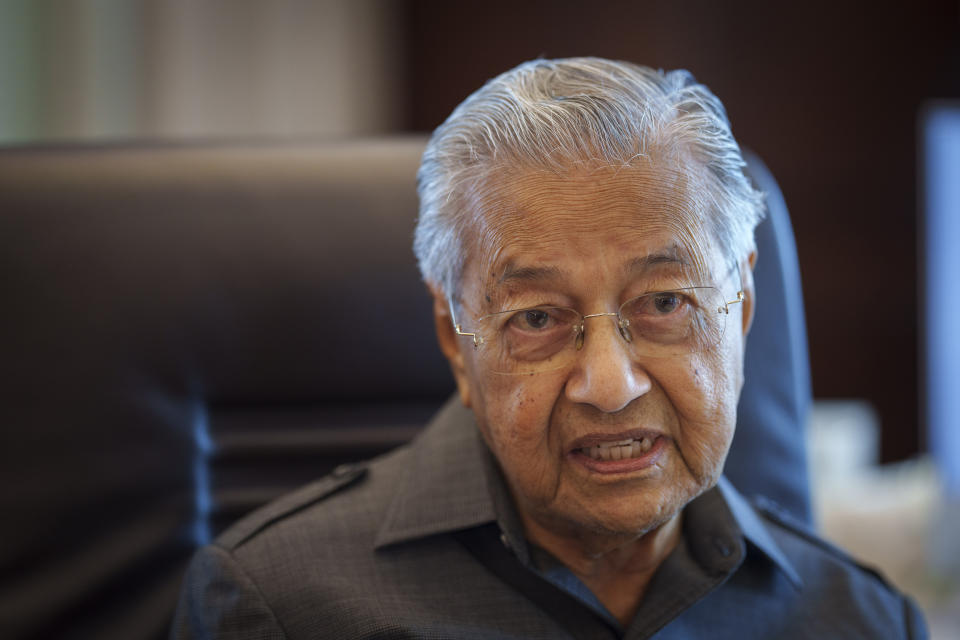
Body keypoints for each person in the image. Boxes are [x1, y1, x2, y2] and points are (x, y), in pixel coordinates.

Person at [171, 58, 926, 639]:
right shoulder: (278, 608)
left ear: (744, 308)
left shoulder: (861, 620)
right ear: (452, 338)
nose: (610, 384)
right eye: (537, 318)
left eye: (665, 303)